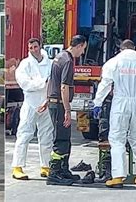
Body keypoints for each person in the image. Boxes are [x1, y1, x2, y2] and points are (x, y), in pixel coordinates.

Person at [92, 39, 136, 188]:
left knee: (117, 139)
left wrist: (97, 103)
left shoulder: (114, 62)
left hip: (120, 103)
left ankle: (118, 176)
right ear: (134, 48)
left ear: (121, 49)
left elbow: (105, 84)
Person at [45, 35, 87, 186]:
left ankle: (63, 170)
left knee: (65, 139)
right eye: (83, 49)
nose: (82, 53)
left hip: (54, 101)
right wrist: (68, 111)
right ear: (79, 45)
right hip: (60, 104)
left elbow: (51, 80)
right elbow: (64, 87)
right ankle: (54, 173)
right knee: (61, 140)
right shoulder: (68, 61)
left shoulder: (59, 56)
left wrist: (47, 99)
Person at [11, 38, 53, 180]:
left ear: (40, 46)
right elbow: (25, 84)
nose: (33, 50)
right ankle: (17, 166)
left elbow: (54, 84)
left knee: (47, 135)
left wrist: (48, 100)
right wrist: (43, 83)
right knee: (24, 134)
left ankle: (45, 166)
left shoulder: (50, 63)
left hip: (46, 104)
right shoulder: (25, 65)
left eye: (35, 47)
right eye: (31, 48)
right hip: (30, 103)